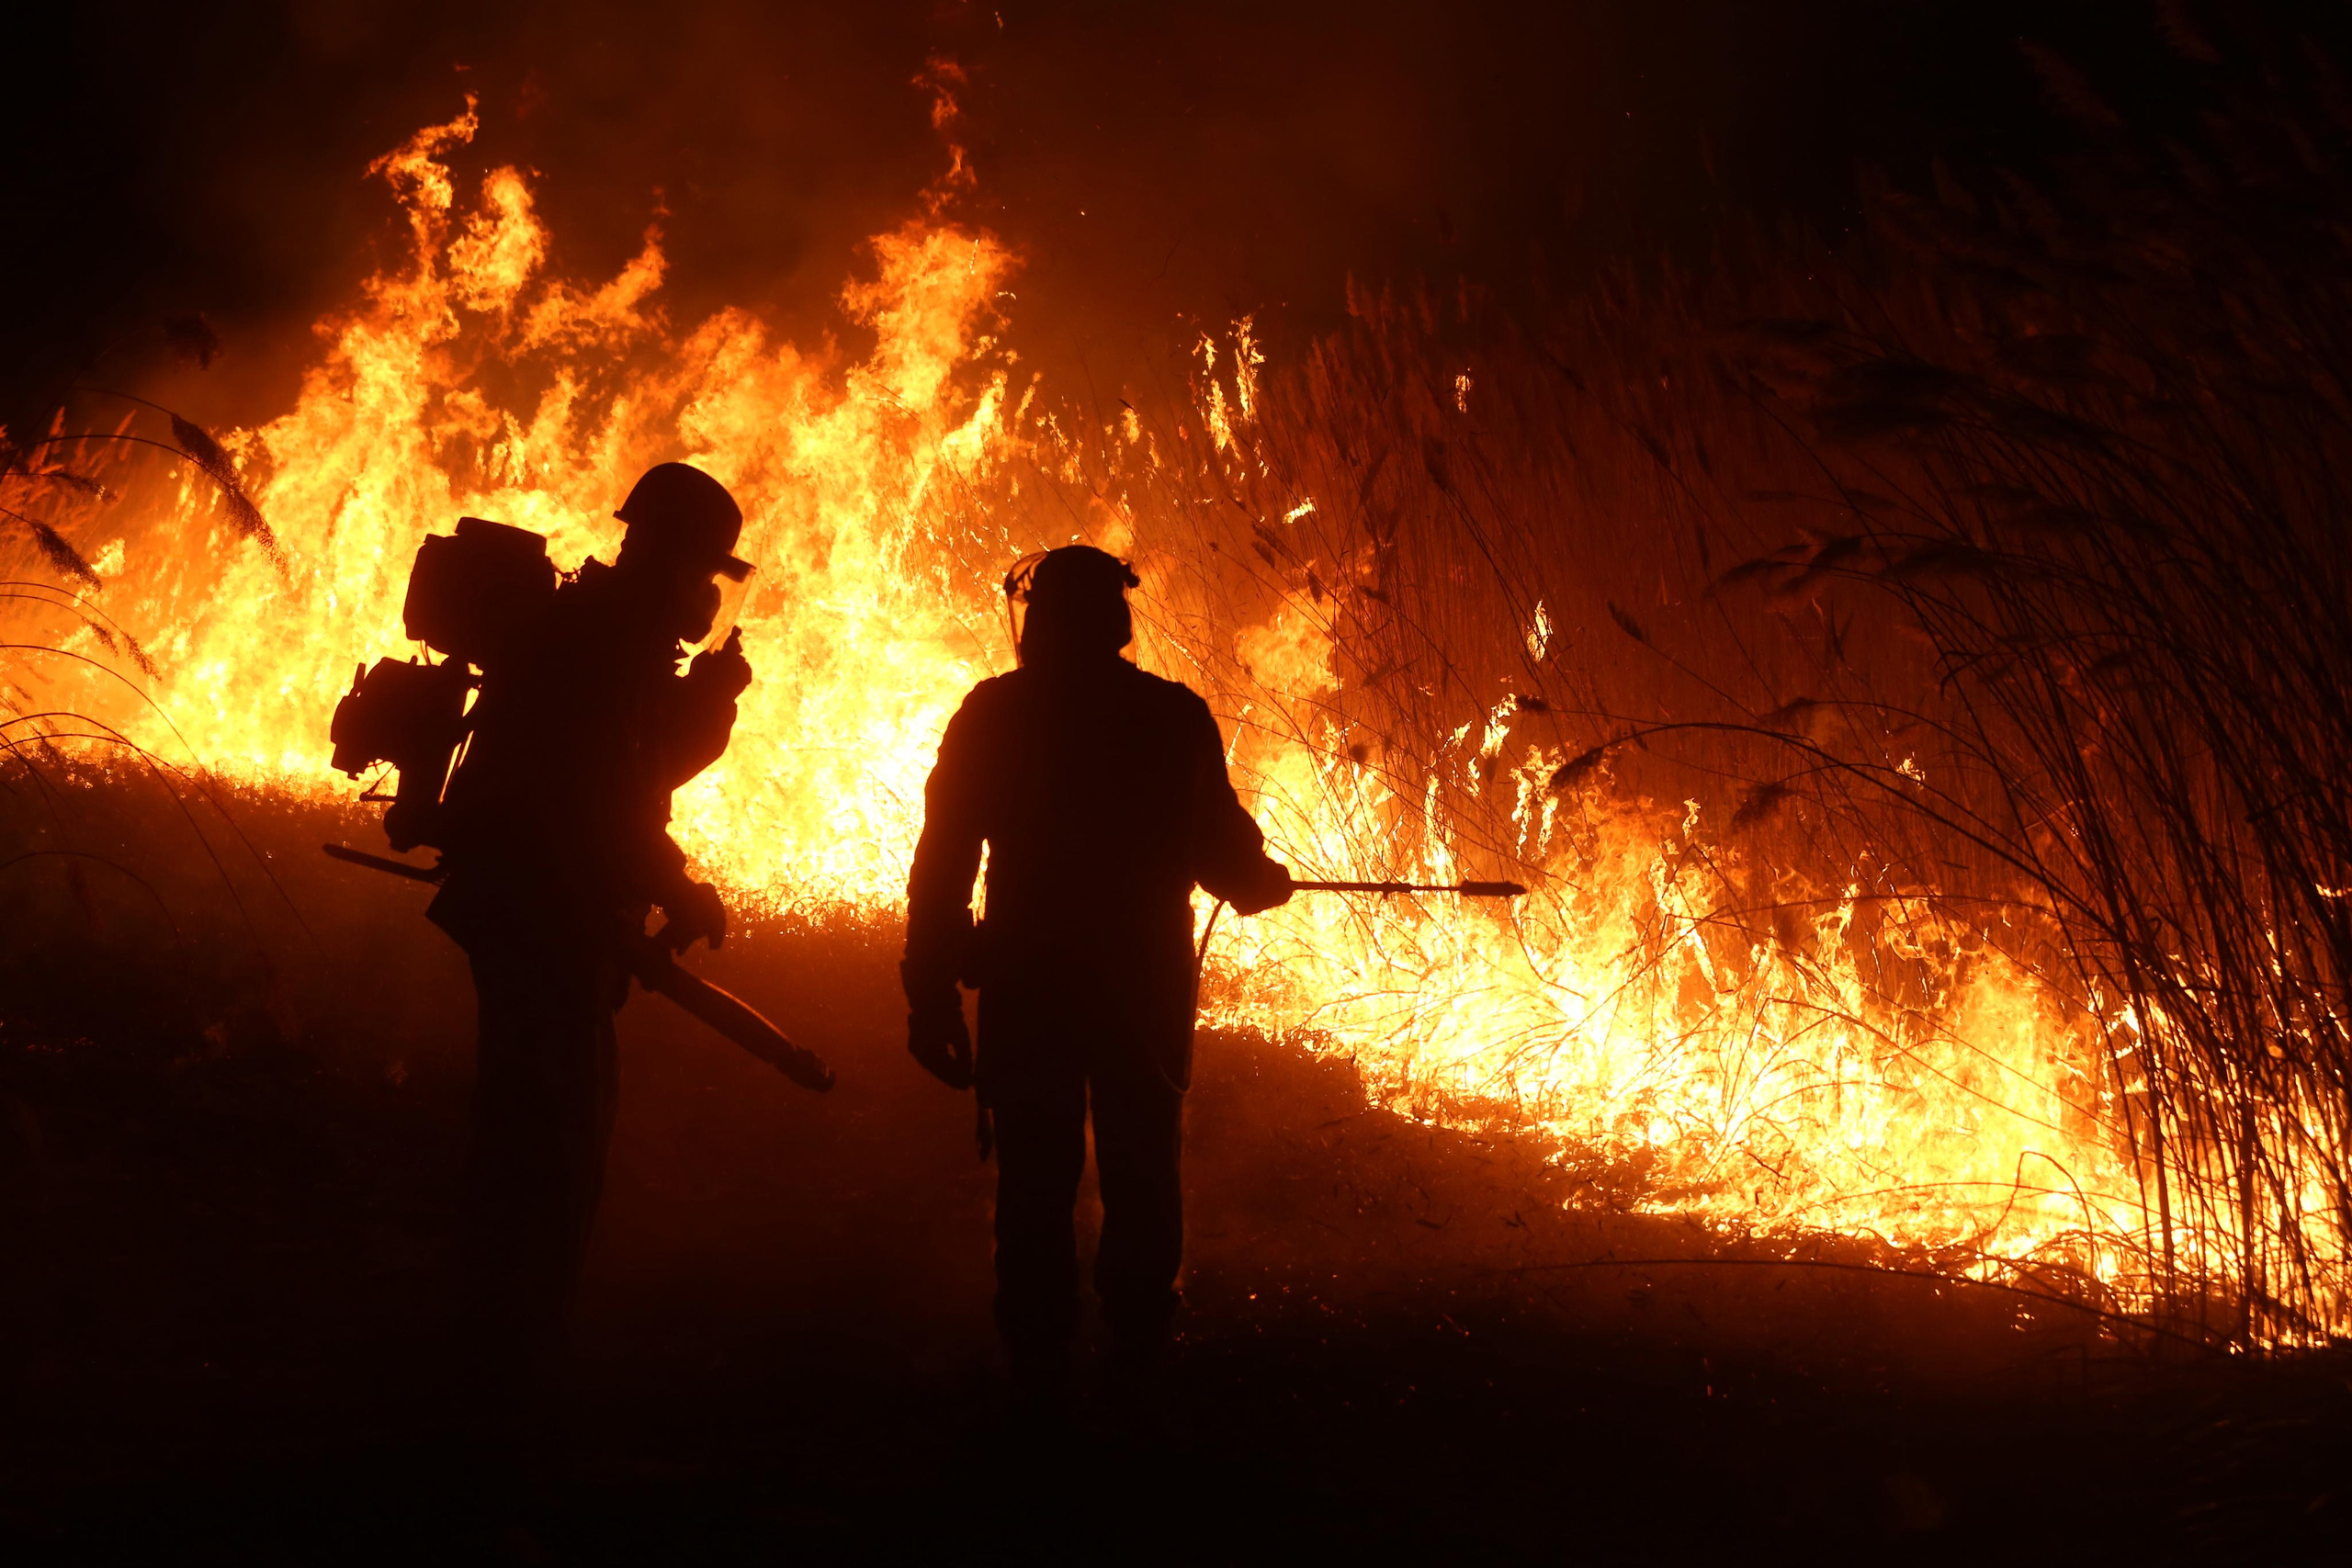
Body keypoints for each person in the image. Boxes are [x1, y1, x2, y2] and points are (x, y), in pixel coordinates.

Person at [902, 545, 1292, 1398]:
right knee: (1142, 1165)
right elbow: (1222, 854)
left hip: (1030, 978)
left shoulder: (994, 714)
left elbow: (943, 859)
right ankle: (1137, 1355)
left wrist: (927, 986)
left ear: (1040, 618)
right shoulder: (1171, 716)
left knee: (1035, 1173)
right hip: (1139, 986)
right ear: (1116, 622)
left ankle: (1037, 1361)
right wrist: (1261, 882)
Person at [425, 460, 753, 1391]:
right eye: (705, 571)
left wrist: (708, 701)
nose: (706, 595)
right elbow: (602, 801)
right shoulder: (605, 642)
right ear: (673, 558)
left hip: (536, 898)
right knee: (551, 1128)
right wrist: (676, 885)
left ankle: (497, 1328)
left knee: (534, 1117)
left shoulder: (611, 636)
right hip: (542, 903)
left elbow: (641, 766)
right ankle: (508, 1347)